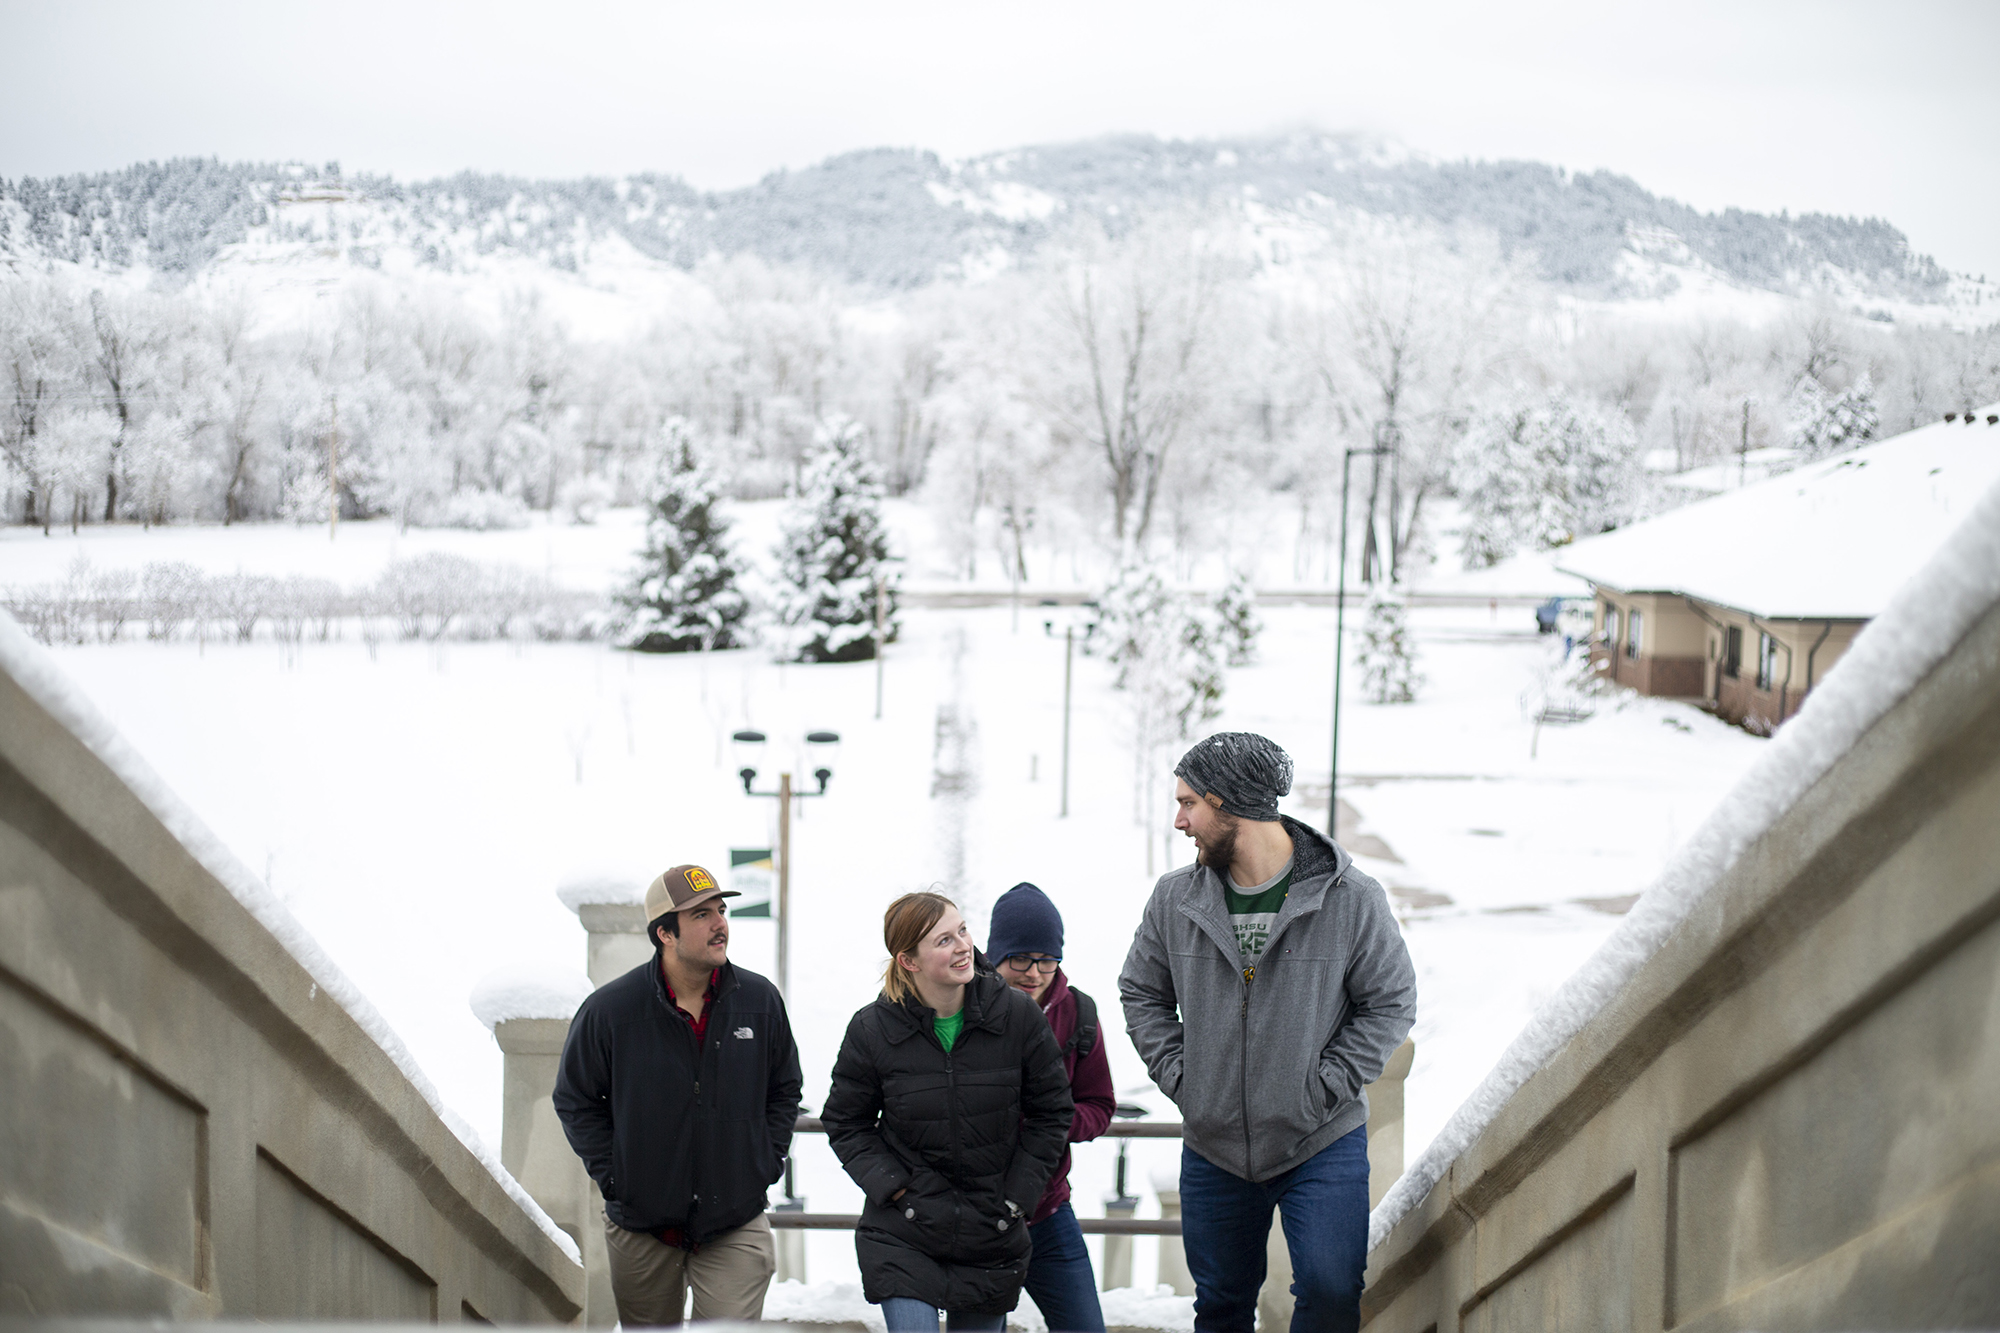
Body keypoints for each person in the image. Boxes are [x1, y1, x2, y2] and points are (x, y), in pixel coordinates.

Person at [1119, 733, 1417, 1333]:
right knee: (1222, 1304)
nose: (1179, 822)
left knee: (1332, 1293)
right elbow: (1141, 993)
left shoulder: (1350, 899)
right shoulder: (1174, 899)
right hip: (1214, 1145)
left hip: (1320, 1140)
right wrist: (1186, 1080)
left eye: (1188, 804)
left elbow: (1391, 1002)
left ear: (1229, 804)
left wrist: (1323, 1087)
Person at [554, 863, 803, 1326]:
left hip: (735, 1220)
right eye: (701, 915)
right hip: (642, 1227)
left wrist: (763, 1162)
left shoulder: (759, 999)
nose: (719, 924)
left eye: (721, 910)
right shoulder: (611, 1010)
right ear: (665, 934)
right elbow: (575, 1099)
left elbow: (785, 1087)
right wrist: (617, 1177)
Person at [822, 891, 1074, 1333]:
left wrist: (1017, 1194)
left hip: (990, 1230)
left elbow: (1052, 1112)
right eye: (943, 940)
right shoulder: (872, 1029)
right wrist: (894, 1188)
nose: (962, 946)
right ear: (909, 961)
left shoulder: (1017, 1017)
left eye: (962, 931)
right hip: (905, 1231)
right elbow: (846, 1121)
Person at [987, 881, 1117, 1333]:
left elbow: (1099, 1105)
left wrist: (1051, 1123)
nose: (1034, 973)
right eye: (1019, 958)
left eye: (1046, 959)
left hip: (1048, 1210)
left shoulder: (1078, 1014)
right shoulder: (962, 1008)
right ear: (994, 956)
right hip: (977, 1214)